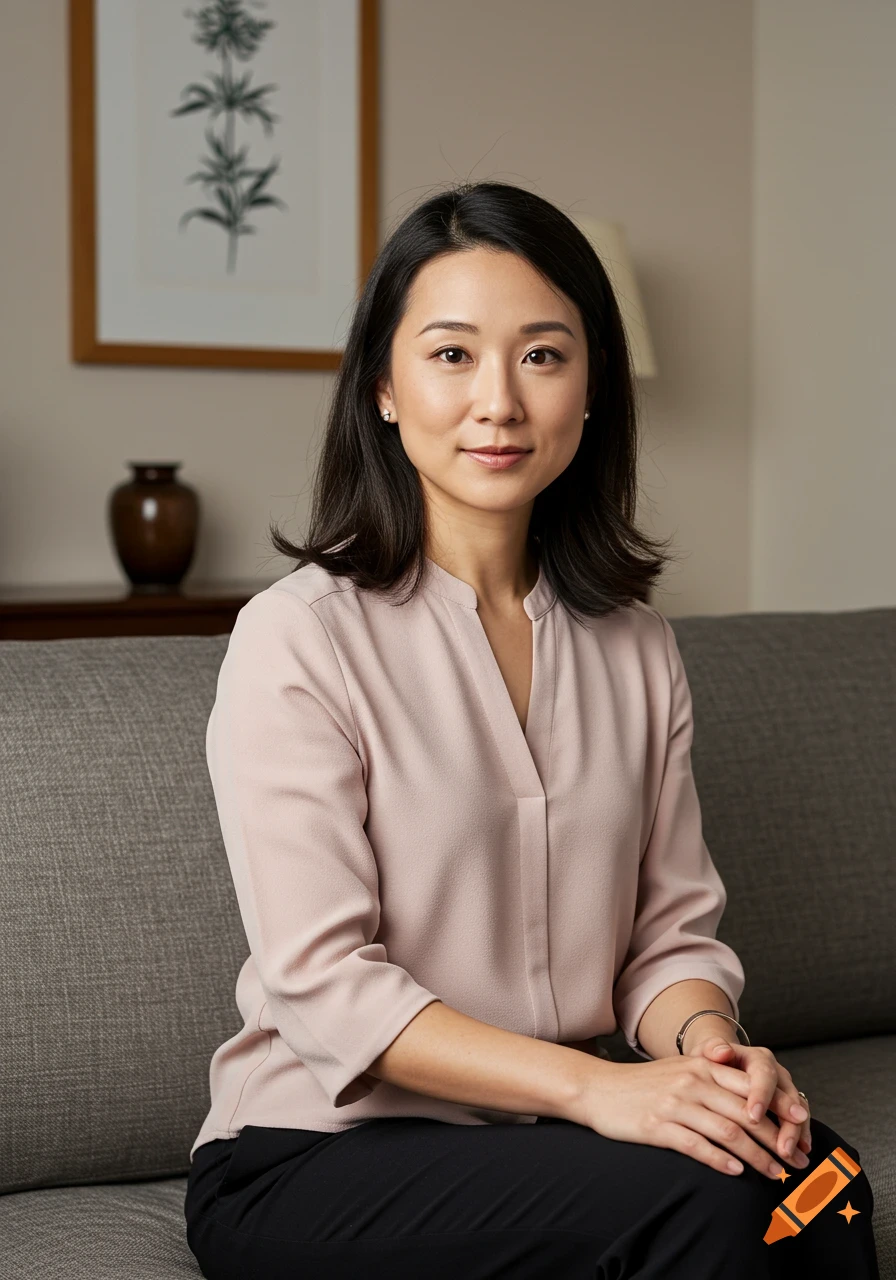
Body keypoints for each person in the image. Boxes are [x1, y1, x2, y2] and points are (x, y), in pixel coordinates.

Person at [184, 180, 880, 1278]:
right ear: (381, 385)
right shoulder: (297, 638)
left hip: (550, 1141)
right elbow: (324, 984)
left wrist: (713, 1053)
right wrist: (599, 1087)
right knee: (717, 1213)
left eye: (542, 355)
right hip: (311, 1153)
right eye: (451, 354)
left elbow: (667, 939)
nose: (498, 402)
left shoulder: (634, 643)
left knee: (820, 1185)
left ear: (590, 386)